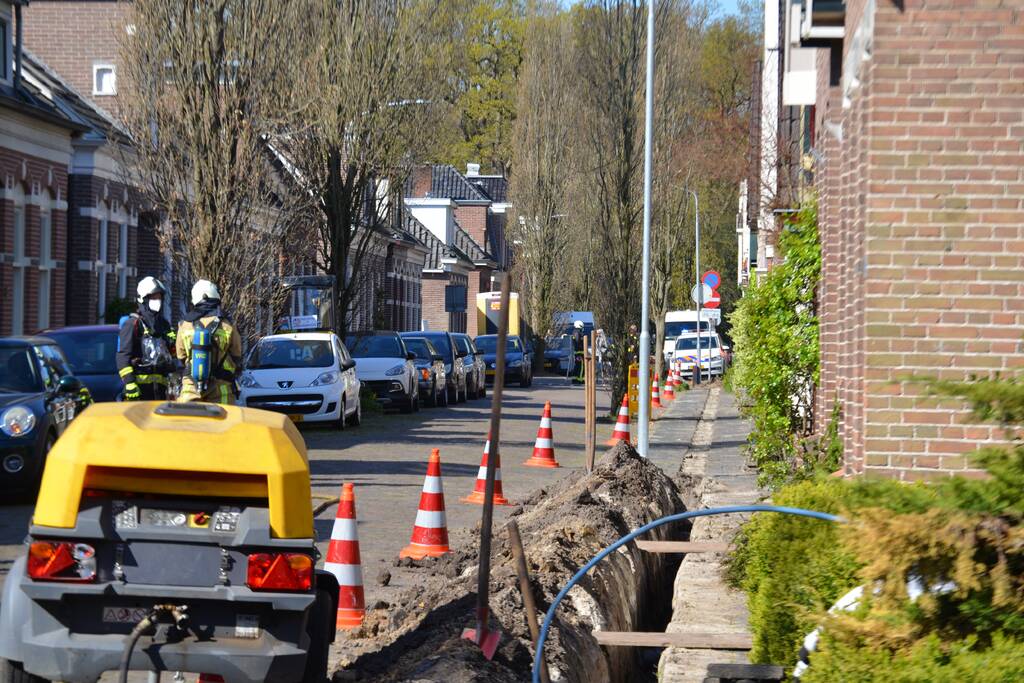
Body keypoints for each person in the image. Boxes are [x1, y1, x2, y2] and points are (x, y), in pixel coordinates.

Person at [176, 280, 242, 404]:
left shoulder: (184, 325)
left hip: (190, 387)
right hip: (221, 387)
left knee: (187, 421)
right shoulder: (227, 324)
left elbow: (180, 356)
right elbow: (237, 354)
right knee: (223, 421)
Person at [116, 277, 176, 401]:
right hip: (139, 390)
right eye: (153, 298)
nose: (157, 301)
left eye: (159, 297)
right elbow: (123, 356)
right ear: (143, 299)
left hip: (160, 390)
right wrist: (129, 382)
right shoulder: (132, 324)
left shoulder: (163, 324)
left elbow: (170, 356)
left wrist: (173, 342)